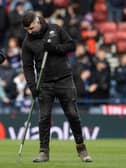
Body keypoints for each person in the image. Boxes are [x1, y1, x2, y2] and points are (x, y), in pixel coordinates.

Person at [21, 11, 92, 163]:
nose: (30, 32)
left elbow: (72, 46)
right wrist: (32, 86)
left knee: (72, 114)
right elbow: (27, 67)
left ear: (38, 21)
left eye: (32, 28)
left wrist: (55, 48)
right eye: (27, 30)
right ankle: (43, 152)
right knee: (44, 117)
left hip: (64, 79)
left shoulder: (55, 29)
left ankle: (81, 149)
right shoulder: (28, 42)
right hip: (44, 83)